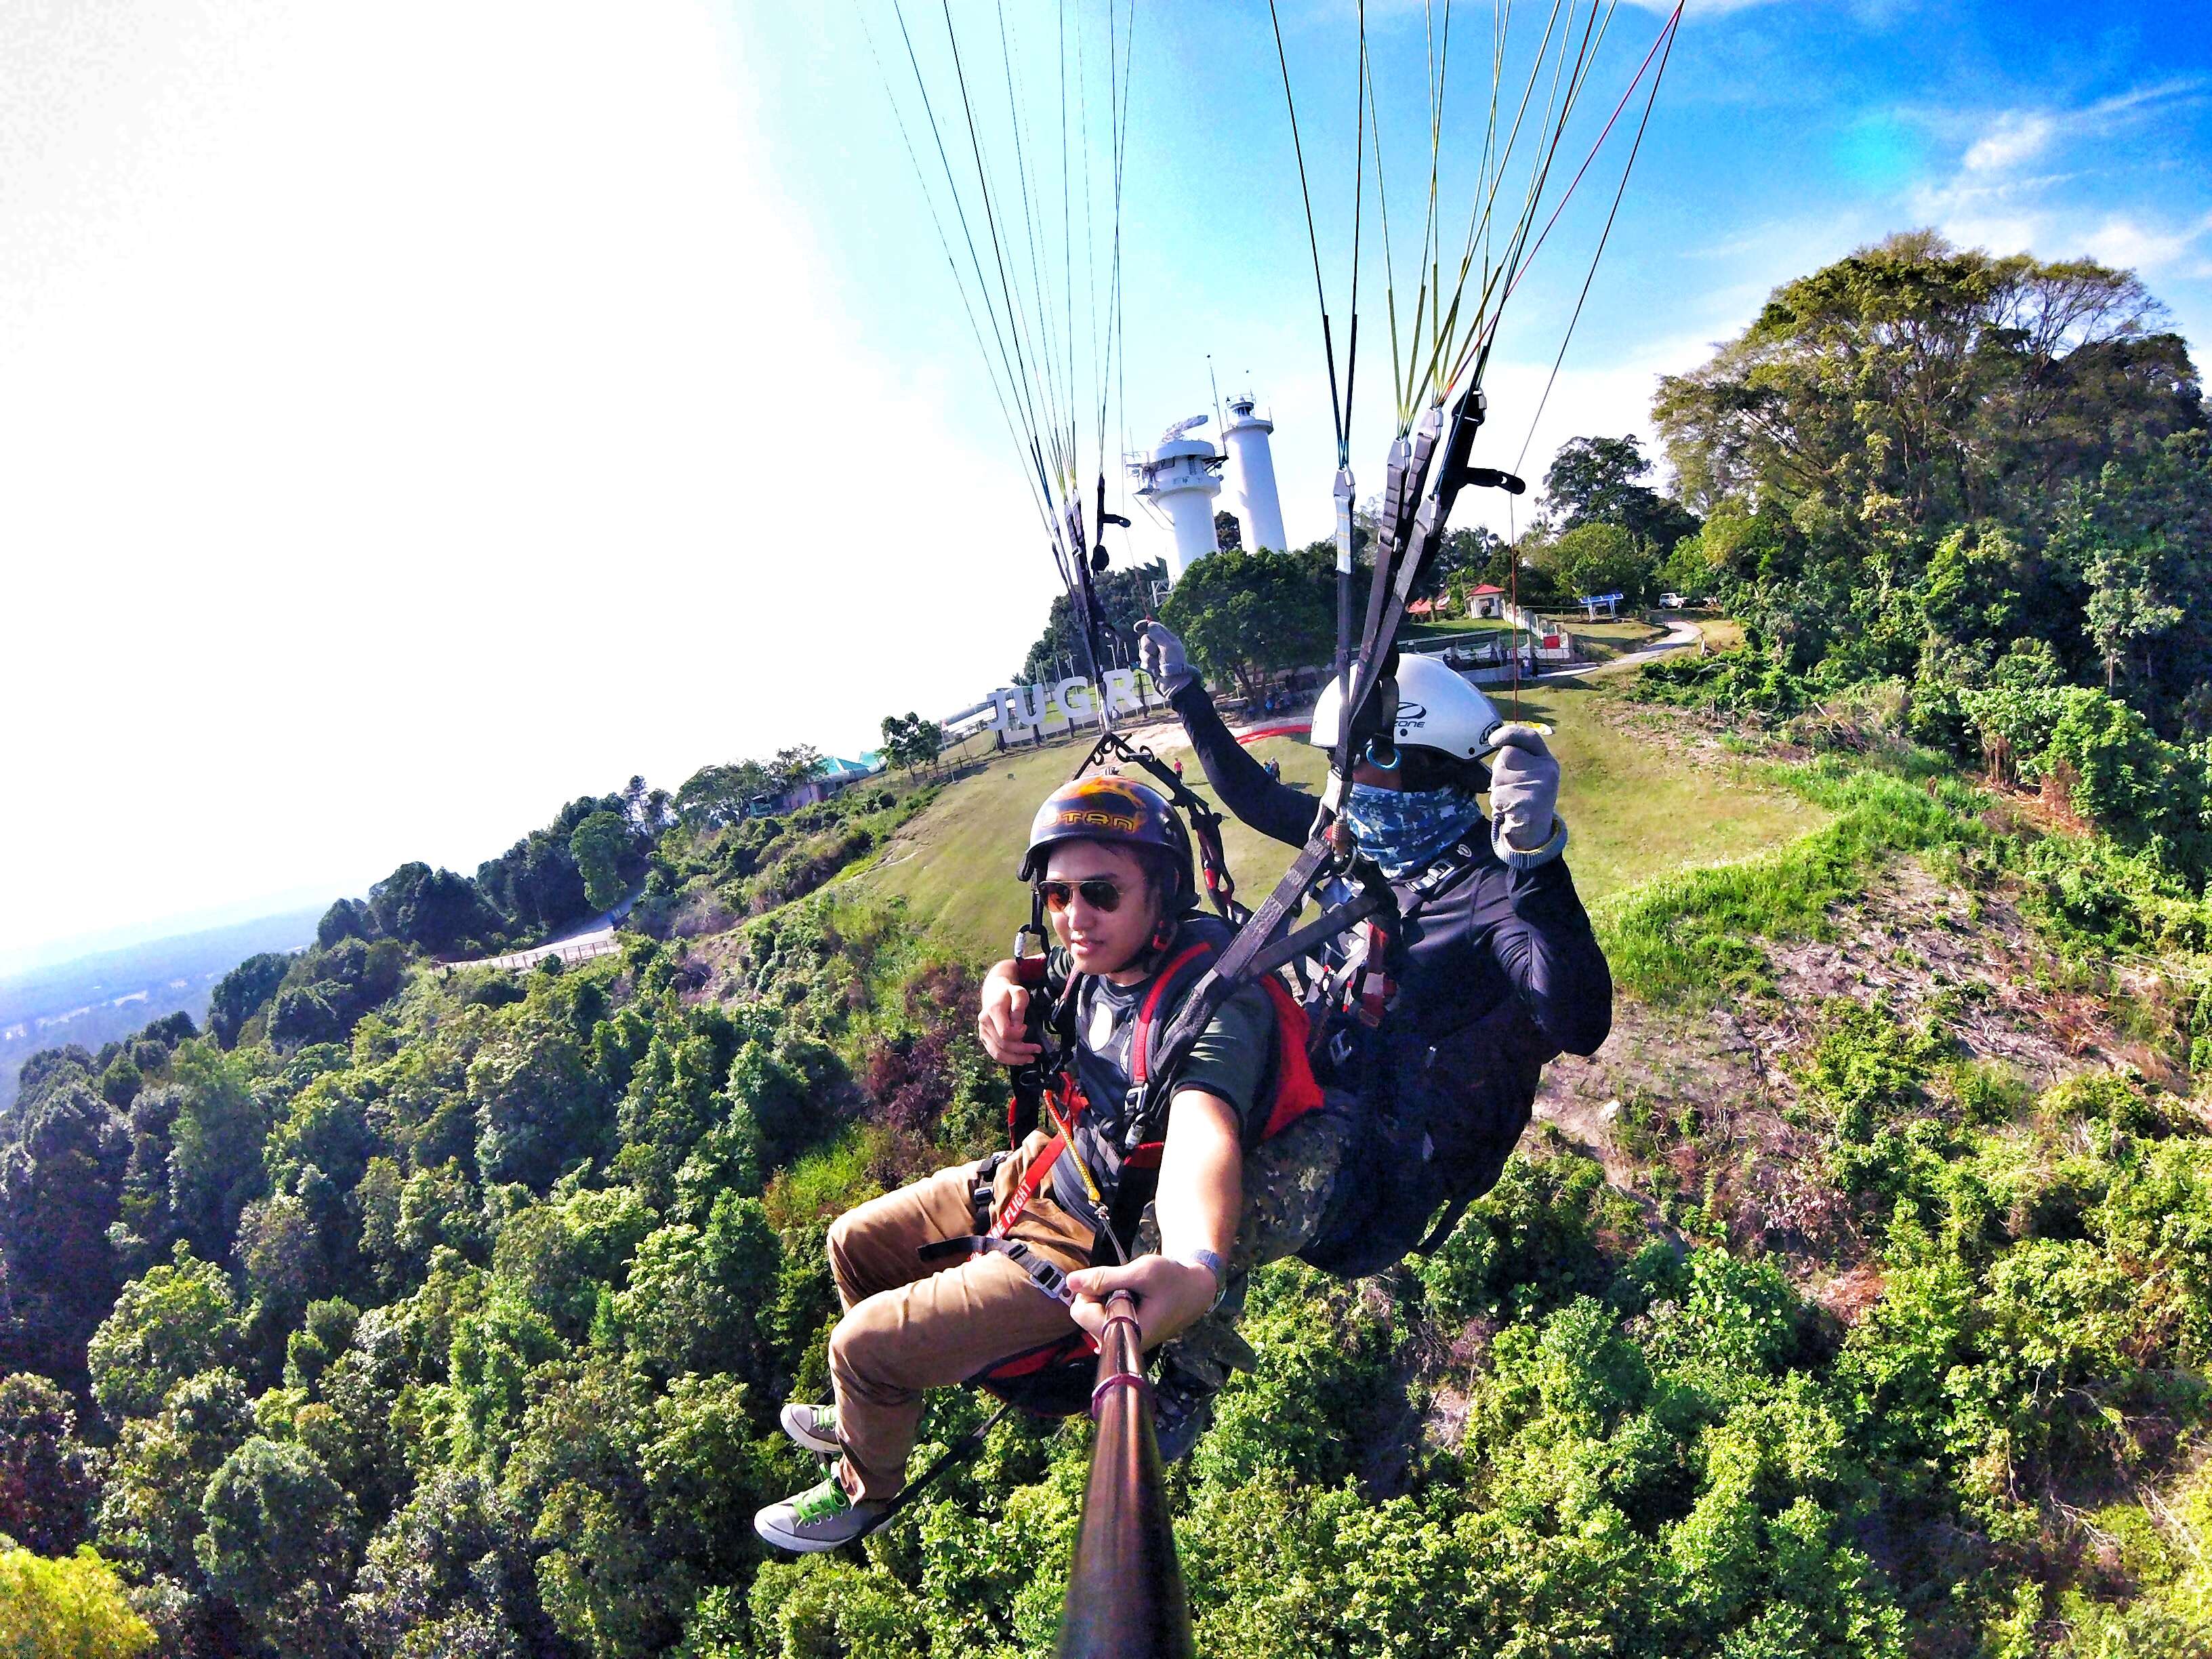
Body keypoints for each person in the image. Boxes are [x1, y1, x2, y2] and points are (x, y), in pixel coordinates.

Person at [754, 775, 1326, 1551]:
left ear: (1161, 892)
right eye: (1056, 896)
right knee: (852, 1242)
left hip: (1089, 1239)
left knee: (860, 1349)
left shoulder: (1211, 1002)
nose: (1073, 918)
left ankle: (864, 1489)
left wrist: (1196, 1265)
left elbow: (1204, 1130)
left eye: (1099, 892)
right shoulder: (1095, 959)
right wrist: (998, 988)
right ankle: (870, 1409)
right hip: (1039, 1168)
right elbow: (1028, 971)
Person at [1136, 618, 1611, 1271]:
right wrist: (1186, 690)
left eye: (1367, 758)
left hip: (1380, 1176)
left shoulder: (1489, 886)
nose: (1347, 779)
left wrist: (1536, 862)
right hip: (1328, 1094)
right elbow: (1253, 796)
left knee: (1163, 1233)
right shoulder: (1362, 845)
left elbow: (1579, 1022)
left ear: (1431, 766)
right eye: (1339, 760)